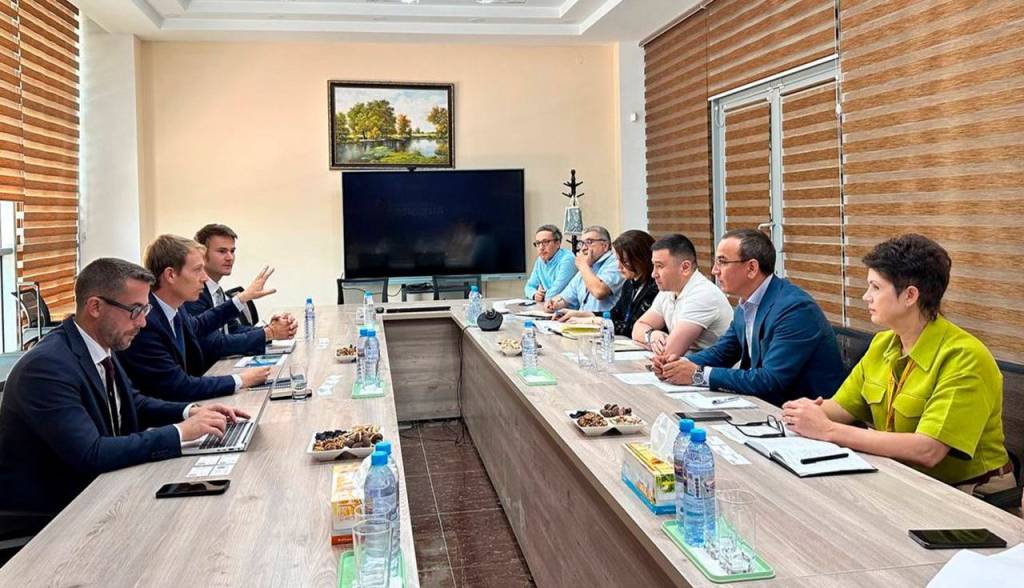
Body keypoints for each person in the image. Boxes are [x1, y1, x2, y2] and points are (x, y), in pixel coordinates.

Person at [0, 258, 249, 515]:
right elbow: (92, 453)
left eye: (145, 310)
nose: (142, 322)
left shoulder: (101, 345)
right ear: (95, 307)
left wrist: (190, 412)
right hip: (53, 515)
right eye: (135, 310)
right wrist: (180, 432)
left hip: (102, 490)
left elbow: (131, 402)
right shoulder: (46, 367)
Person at [782, 234, 1011, 493]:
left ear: (910, 295)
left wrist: (828, 430)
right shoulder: (883, 344)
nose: (866, 296)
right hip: (901, 478)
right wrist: (803, 412)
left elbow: (928, 450)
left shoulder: (965, 357)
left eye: (875, 287)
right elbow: (842, 407)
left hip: (968, 493)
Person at [653, 228, 845, 406]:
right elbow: (723, 353)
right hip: (765, 406)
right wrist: (677, 364)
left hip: (801, 414)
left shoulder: (794, 309)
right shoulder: (747, 304)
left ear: (752, 268)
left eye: (722, 262)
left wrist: (698, 374)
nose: (714, 270)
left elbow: (770, 380)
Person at [118, 235, 274, 402]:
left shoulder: (175, 308)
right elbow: (179, 387)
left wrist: (242, 298)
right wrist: (241, 380)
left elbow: (200, 324)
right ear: (171, 275)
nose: (205, 278)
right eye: (198, 270)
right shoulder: (145, 322)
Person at [184, 223, 297, 345]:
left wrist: (271, 329)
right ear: (202, 254)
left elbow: (233, 330)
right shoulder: (193, 293)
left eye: (232, 251)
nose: (230, 257)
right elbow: (212, 344)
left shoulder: (216, 290)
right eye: (222, 251)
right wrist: (269, 333)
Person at [631, 233, 732, 356]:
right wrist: (651, 335)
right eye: (654, 266)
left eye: (659, 266)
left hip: (709, 367)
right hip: (686, 365)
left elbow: (670, 352)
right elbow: (638, 327)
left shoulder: (703, 295)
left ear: (685, 267)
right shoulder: (668, 290)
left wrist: (650, 343)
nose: (654, 274)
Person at [556, 229, 659, 336]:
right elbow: (614, 314)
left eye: (625, 261)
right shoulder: (629, 283)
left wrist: (594, 321)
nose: (619, 267)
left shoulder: (654, 288)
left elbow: (632, 327)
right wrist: (581, 314)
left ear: (641, 259)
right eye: (618, 260)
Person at [544, 225, 625, 314]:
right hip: (582, 320)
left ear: (605, 246)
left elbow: (599, 292)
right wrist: (553, 304)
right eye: (582, 243)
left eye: (589, 242)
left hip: (603, 320)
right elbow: (566, 297)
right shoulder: (588, 265)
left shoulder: (616, 262)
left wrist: (583, 266)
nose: (583, 248)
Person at [523, 224, 576, 302]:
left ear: (558, 243)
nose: (541, 247)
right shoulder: (540, 261)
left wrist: (542, 296)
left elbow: (555, 293)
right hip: (547, 305)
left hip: (567, 307)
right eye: (538, 243)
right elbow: (529, 287)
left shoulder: (568, 259)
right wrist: (535, 294)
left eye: (545, 242)